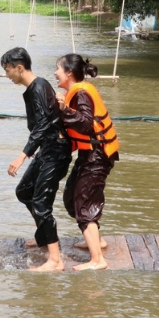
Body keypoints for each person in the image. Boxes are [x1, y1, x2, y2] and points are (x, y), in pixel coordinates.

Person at [2, 47, 72, 272]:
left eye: (8, 70)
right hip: (47, 150)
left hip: (56, 152)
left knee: (41, 204)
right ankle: (44, 236)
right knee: (24, 191)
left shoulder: (38, 87)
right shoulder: (35, 88)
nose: (7, 75)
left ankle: (55, 260)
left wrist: (22, 156)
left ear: (19, 68)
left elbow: (42, 124)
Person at [55, 54, 119, 271]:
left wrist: (65, 109)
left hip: (97, 155)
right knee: (72, 198)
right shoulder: (77, 92)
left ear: (69, 73)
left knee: (84, 204)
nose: (55, 73)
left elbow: (84, 124)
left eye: (58, 69)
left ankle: (97, 259)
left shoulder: (81, 93)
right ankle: (97, 240)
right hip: (88, 154)